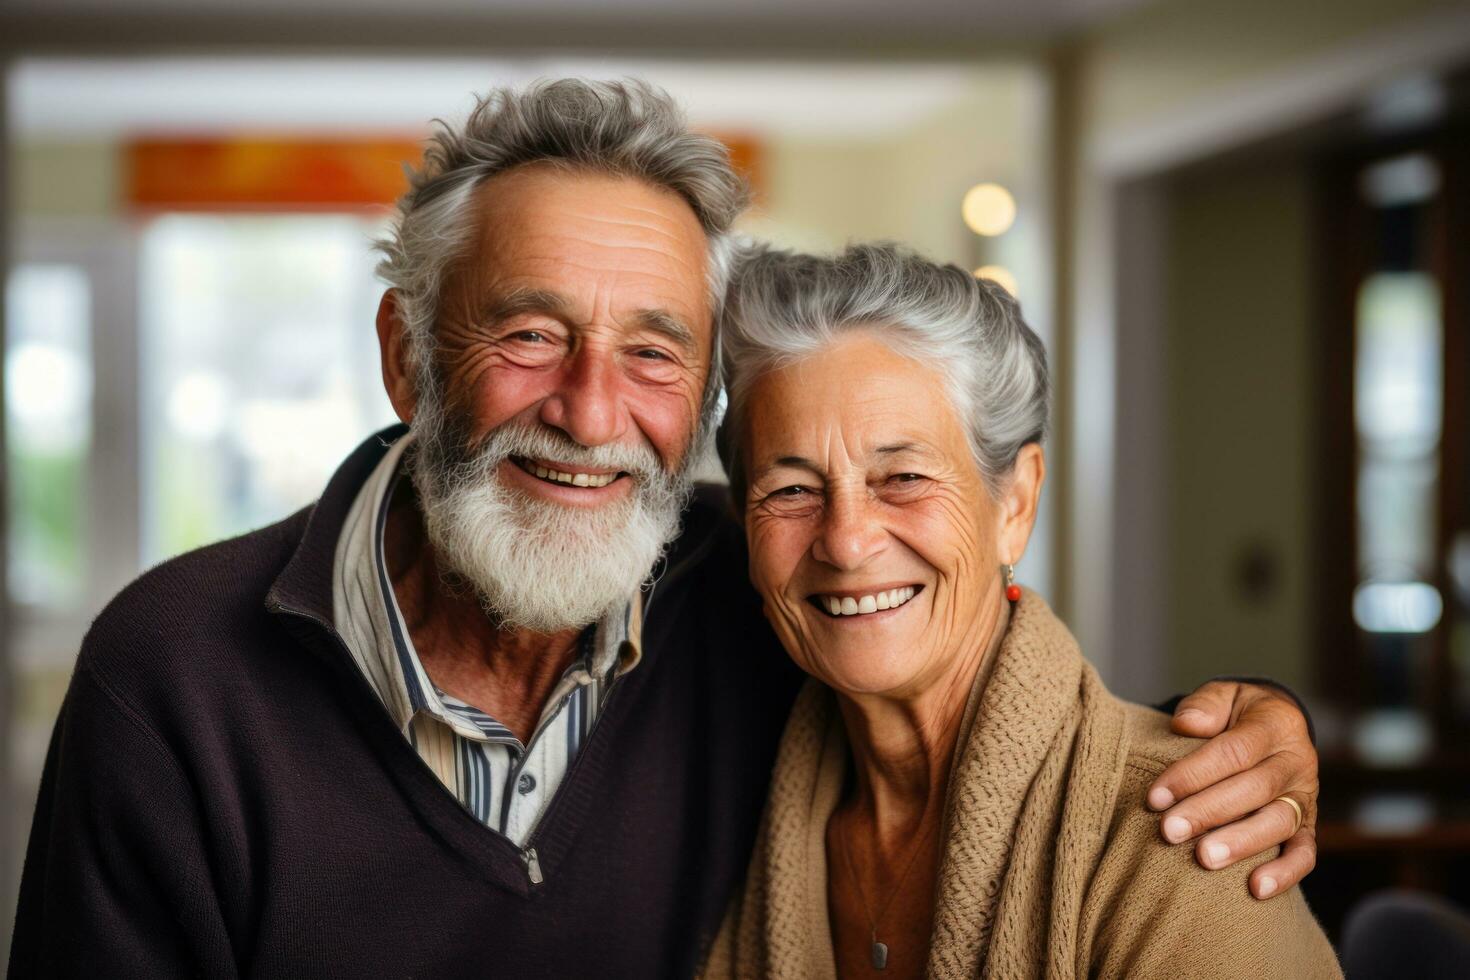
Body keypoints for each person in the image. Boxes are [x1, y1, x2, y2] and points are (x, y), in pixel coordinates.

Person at [11, 80, 1318, 978]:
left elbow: (984, 701)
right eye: (528, 336)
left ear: (698, 396)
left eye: (652, 352)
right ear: (407, 358)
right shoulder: (173, 675)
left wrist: (1250, 725)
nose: (590, 411)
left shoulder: (749, 593)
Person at [704, 242, 1339, 978]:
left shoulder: (1183, 842)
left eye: (903, 477)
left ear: (1016, 502)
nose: (846, 543)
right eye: (790, 490)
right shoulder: (736, 793)